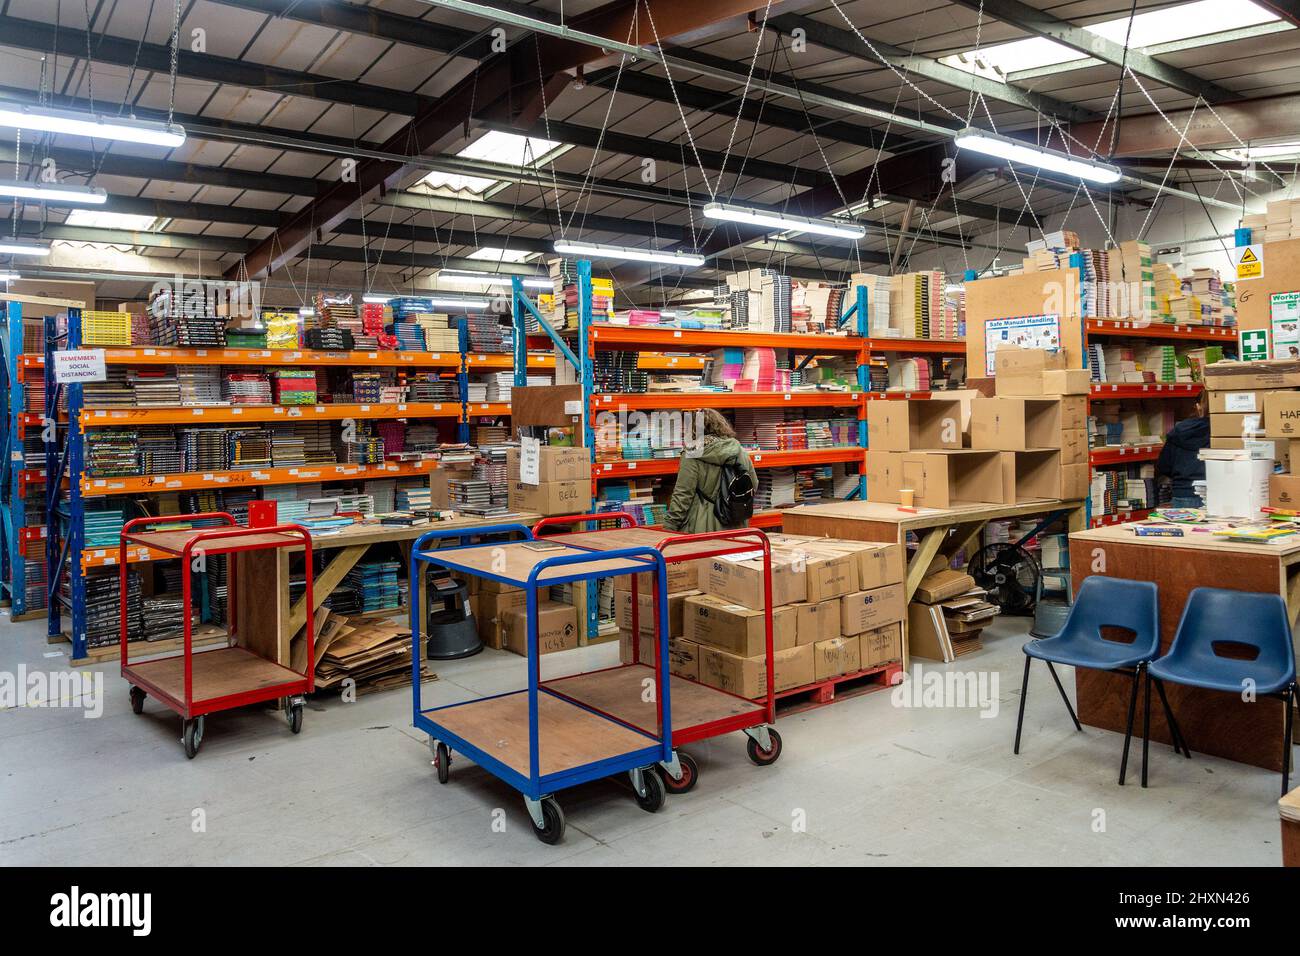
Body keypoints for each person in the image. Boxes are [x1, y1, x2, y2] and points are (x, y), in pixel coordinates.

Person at [663, 408, 757, 533]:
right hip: (736, 523)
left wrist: (670, 526)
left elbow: (683, 495)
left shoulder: (692, 454)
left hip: (704, 525)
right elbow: (753, 484)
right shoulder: (738, 450)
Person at [1156, 397, 1210, 508]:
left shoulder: (1179, 430)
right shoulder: (1221, 432)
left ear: (1198, 407)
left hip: (1183, 492)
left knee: (1184, 525)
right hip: (1216, 493)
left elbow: (1164, 466)